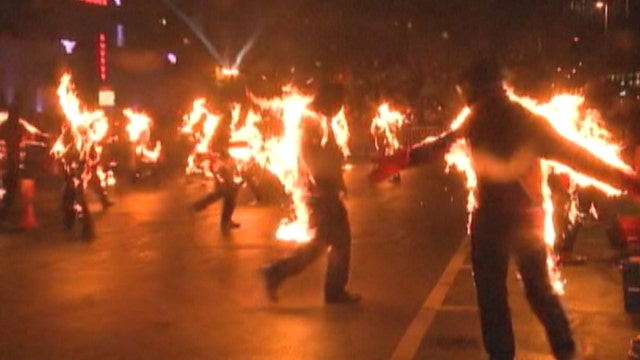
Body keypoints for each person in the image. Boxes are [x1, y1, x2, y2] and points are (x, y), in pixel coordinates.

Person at [370, 58, 640, 359]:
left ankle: (506, 355)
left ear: (473, 88)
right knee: (539, 292)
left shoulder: (476, 119)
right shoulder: (523, 119)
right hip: (526, 220)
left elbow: (439, 146)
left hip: (490, 222)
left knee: (492, 297)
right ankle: (565, 350)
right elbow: (578, 157)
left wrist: (402, 159)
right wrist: (626, 181)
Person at [260, 80, 361, 305]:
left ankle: (277, 272)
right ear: (329, 98)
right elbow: (310, 155)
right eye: (339, 101)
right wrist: (324, 182)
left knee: (324, 241)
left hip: (320, 188)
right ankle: (331, 291)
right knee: (338, 240)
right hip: (319, 191)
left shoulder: (319, 119)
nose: (340, 107)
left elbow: (327, 154)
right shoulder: (311, 120)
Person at [191, 107, 241, 232]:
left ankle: (202, 207)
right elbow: (218, 147)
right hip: (220, 164)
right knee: (227, 191)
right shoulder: (221, 131)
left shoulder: (223, 129)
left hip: (223, 163)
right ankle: (200, 206)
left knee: (227, 191)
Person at [0, 95, 28, 223]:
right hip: (9, 160)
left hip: (11, 160)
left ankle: (5, 210)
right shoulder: (11, 126)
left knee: (10, 186)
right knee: (9, 185)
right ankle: (5, 210)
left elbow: (23, 139)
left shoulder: (10, 126)